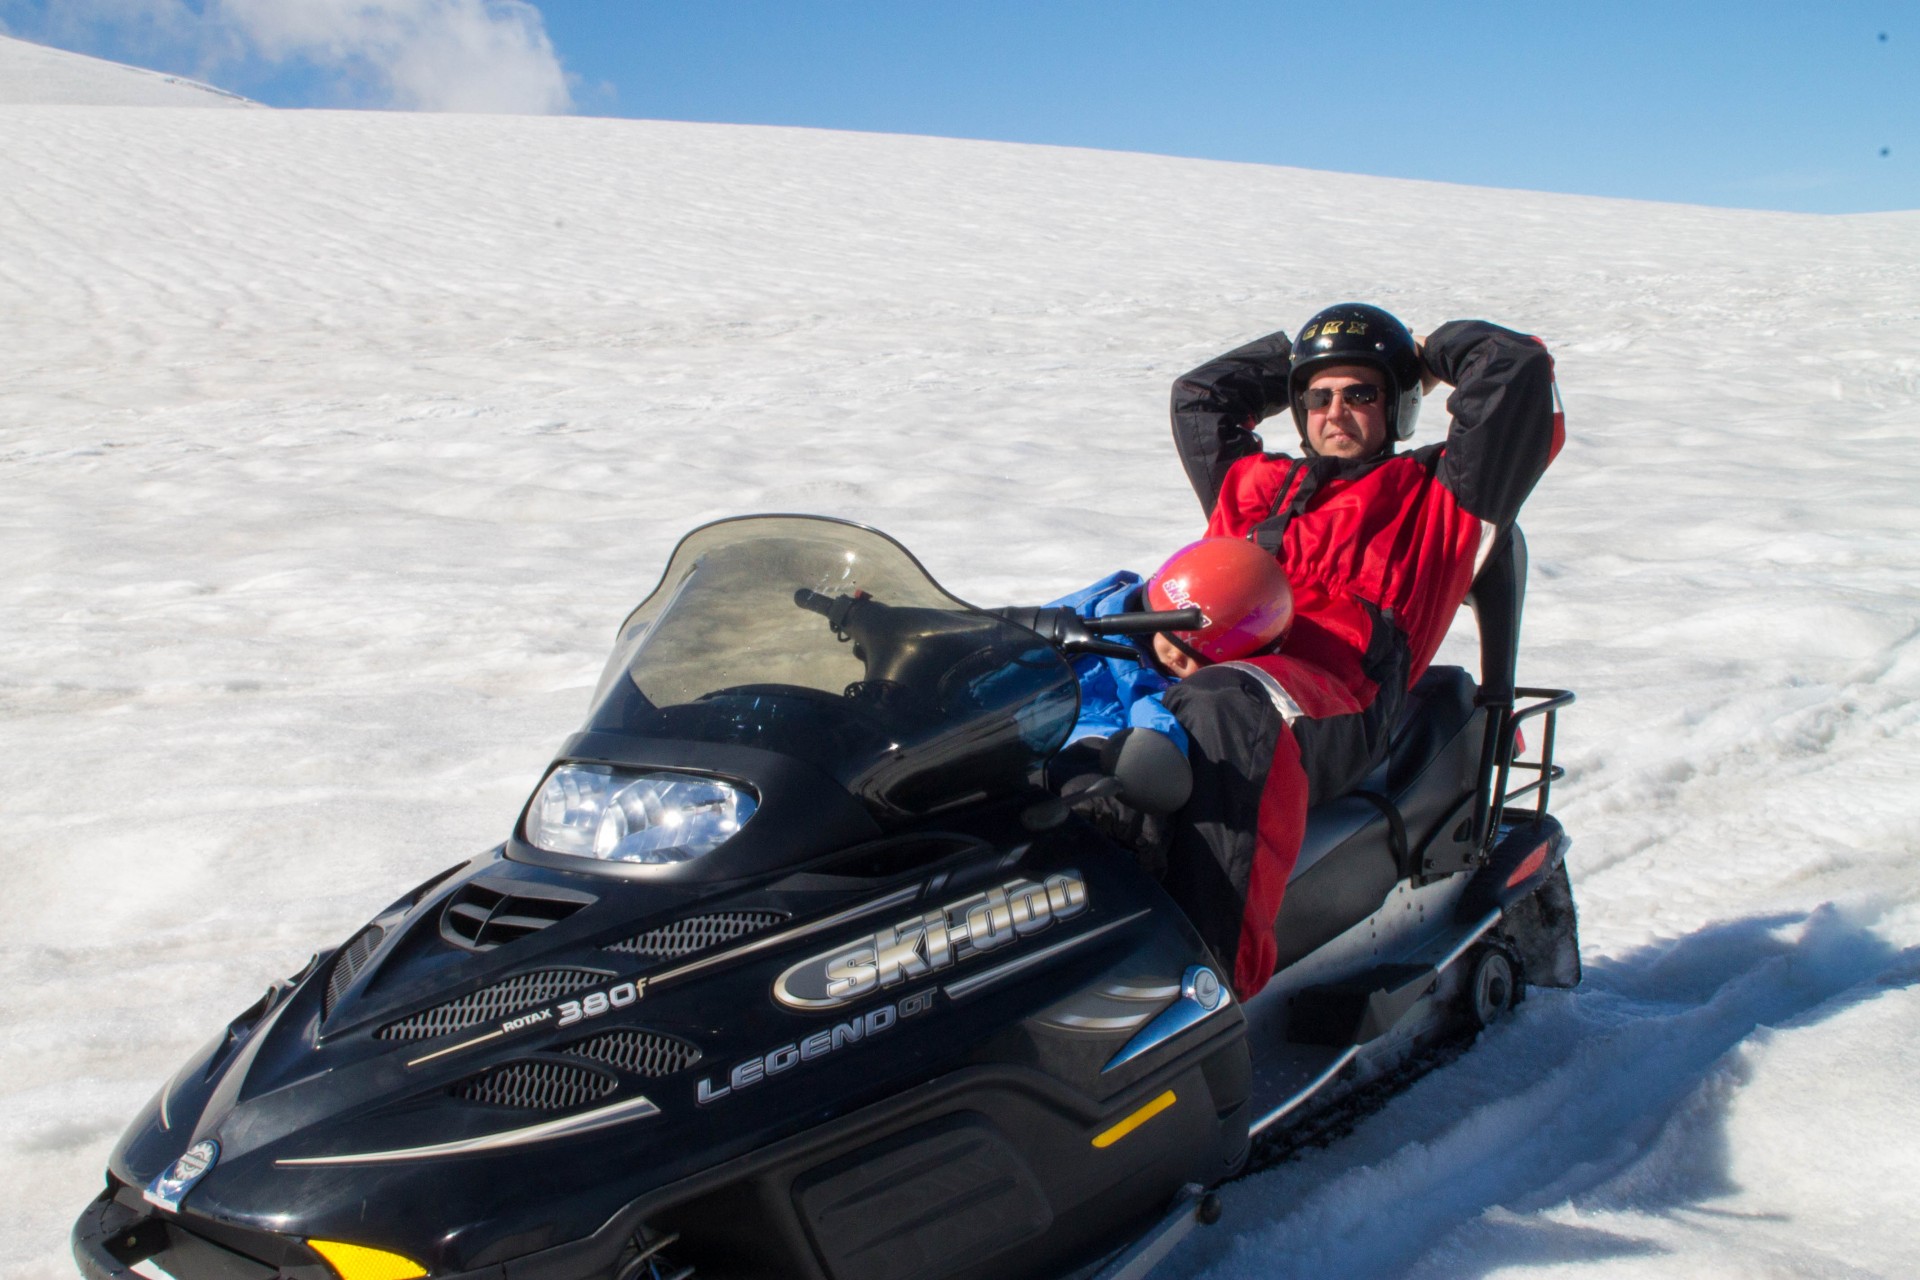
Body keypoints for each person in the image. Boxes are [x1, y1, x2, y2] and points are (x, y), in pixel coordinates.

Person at [1146, 302, 1564, 1000]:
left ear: (1397, 406)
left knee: (1228, 708)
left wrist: (1422, 354)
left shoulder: (1441, 496)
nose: (1335, 412)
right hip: (1214, 674)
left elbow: (1515, 370)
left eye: (1361, 394)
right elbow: (1200, 397)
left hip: (1333, 698)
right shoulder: (1251, 485)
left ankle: (1208, 990)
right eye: (1318, 396)